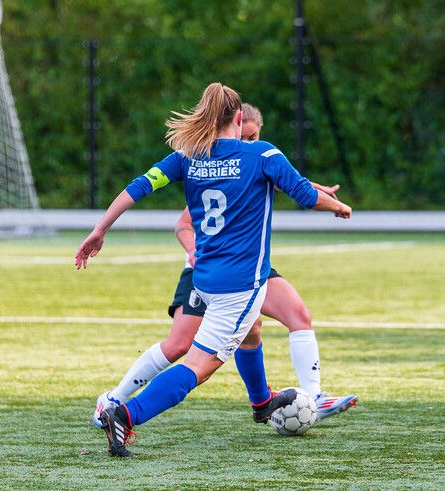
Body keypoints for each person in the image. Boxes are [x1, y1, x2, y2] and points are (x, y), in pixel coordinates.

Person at [75, 83, 351, 457]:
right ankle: (126, 413)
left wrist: (100, 229)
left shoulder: (188, 156)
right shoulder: (263, 153)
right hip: (240, 285)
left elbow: (139, 187)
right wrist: (337, 207)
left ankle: (261, 402)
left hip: (204, 277)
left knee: (252, 328)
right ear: (239, 119)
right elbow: (304, 196)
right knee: (198, 366)